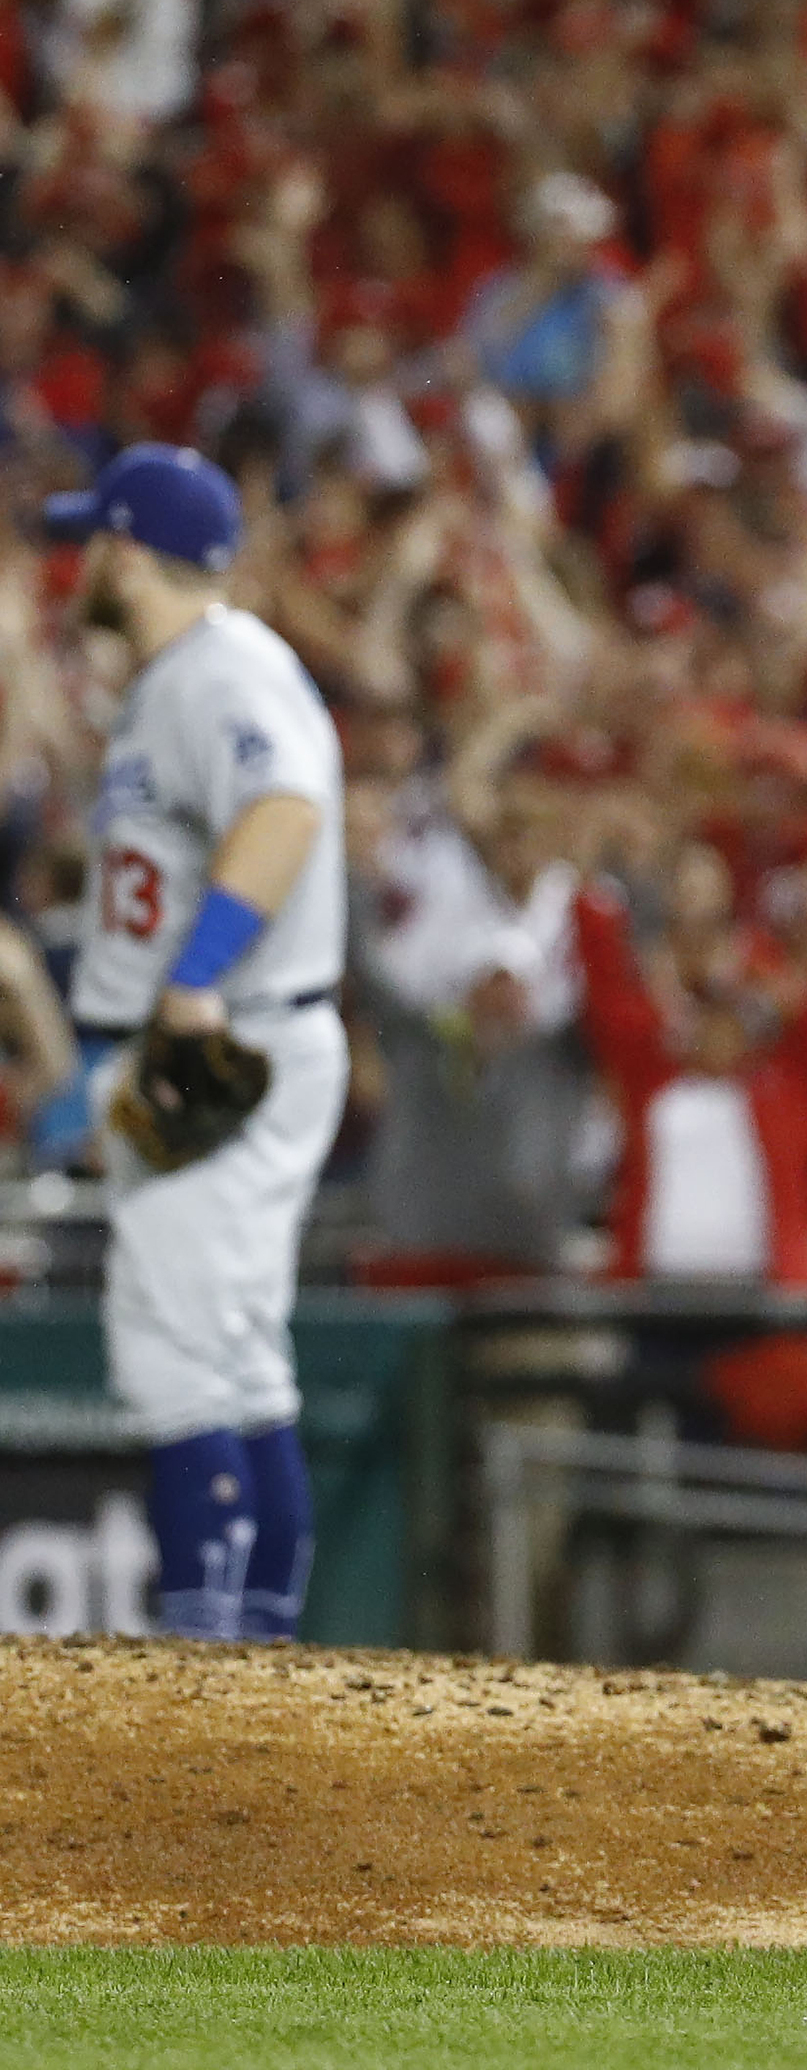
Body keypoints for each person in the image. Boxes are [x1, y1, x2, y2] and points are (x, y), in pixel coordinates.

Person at [49, 445, 348, 1643]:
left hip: (232, 1036)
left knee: (181, 1350)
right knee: (232, 1351)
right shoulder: (184, 674)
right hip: (221, 1035)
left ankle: (209, 1659)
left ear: (128, 549)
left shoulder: (219, 671)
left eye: (92, 540)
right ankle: (252, 1646)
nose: (80, 562)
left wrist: (194, 981)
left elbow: (282, 812)